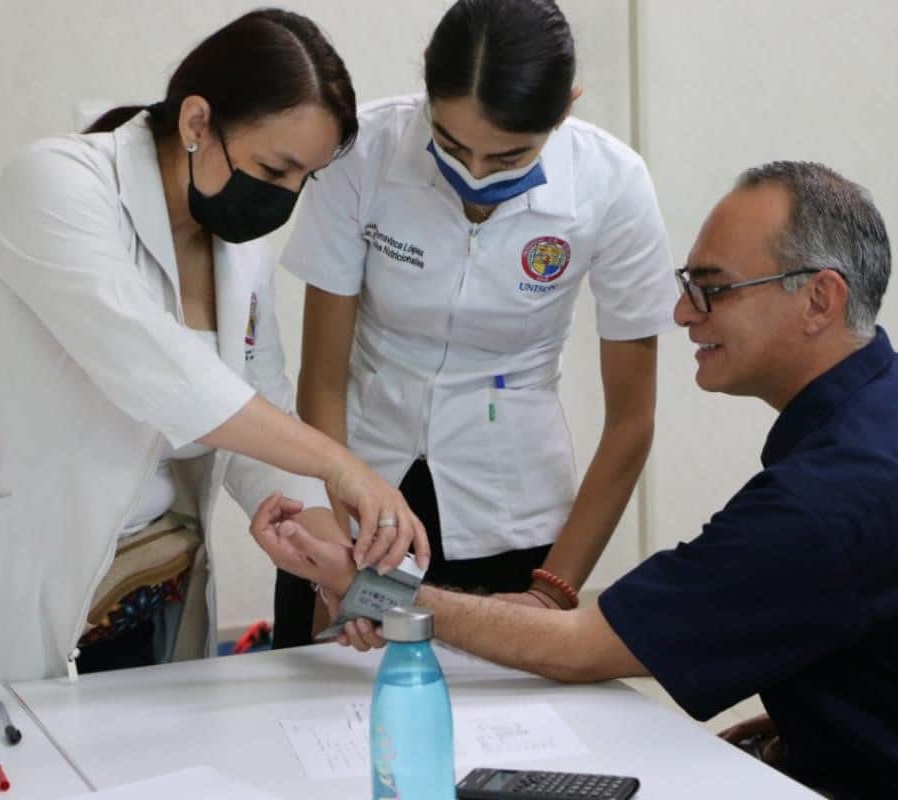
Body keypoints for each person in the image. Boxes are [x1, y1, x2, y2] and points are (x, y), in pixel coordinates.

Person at [255, 161, 898, 798]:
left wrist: (368, 588)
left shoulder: (846, 488)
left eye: (713, 289)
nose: (682, 314)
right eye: (686, 285)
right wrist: (810, 712)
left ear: (819, 299)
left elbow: (587, 648)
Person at [0, 9, 427, 690]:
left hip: (152, 591)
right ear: (196, 123)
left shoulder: (237, 252)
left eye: (309, 178)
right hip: (13, 593)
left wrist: (332, 556)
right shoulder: (54, 188)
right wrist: (345, 466)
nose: (286, 198)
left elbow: (257, 418)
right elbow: (172, 383)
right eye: (275, 168)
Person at [274, 0, 678, 646]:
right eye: (453, 145)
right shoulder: (364, 155)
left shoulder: (613, 185)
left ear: (565, 108)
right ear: (427, 94)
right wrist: (339, 543)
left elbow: (632, 421)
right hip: (354, 489)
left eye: (510, 157)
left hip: (510, 510)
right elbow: (321, 379)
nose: (475, 174)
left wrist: (554, 591)